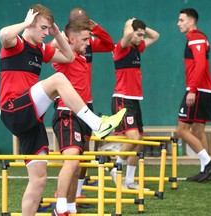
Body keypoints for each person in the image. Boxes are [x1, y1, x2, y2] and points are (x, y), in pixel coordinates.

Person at [0, 4, 126, 216]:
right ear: (30, 24)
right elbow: (3, 34)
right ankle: (97, 123)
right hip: (13, 109)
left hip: (32, 119)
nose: (45, 33)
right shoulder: (17, 43)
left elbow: (68, 57)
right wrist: (25, 24)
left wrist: (57, 34)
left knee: (39, 179)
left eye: (49, 28)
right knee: (58, 79)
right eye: (43, 28)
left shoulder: (42, 49)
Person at [50, 20, 126, 215]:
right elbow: (52, 46)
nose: (88, 43)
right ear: (72, 39)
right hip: (66, 113)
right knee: (72, 161)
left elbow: (109, 45)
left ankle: (70, 208)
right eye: (85, 39)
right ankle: (59, 208)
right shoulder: (63, 58)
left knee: (77, 165)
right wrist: (61, 36)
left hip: (82, 114)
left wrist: (96, 28)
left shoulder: (82, 57)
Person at [67, 8, 115, 206]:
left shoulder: (89, 43)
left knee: (85, 151)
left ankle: (77, 196)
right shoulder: (65, 44)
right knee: (72, 154)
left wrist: (96, 28)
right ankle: (64, 197)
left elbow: (110, 44)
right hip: (69, 105)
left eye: (87, 22)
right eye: (83, 23)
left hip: (87, 103)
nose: (87, 26)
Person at [110, 18, 159, 190]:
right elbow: (129, 34)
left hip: (135, 100)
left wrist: (142, 28)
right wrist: (129, 24)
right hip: (122, 99)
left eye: (142, 35)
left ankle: (130, 180)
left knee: (139, 142)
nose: (141, 38)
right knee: (133, 138)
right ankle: (115, 169)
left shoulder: (138, 48)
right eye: (138, 35)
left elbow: (156, 36)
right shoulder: (120, 48)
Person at [176, 8, 211, 182]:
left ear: (191, 21)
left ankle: (208, 163)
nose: (178, 23)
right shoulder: (194, 38)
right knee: (198, 131)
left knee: (181, 131)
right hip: (202, 89)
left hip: (198, 89)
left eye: (181, 20)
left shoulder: (197, 37)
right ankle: (205, 171)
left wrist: (192, 90)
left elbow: (200, 66)